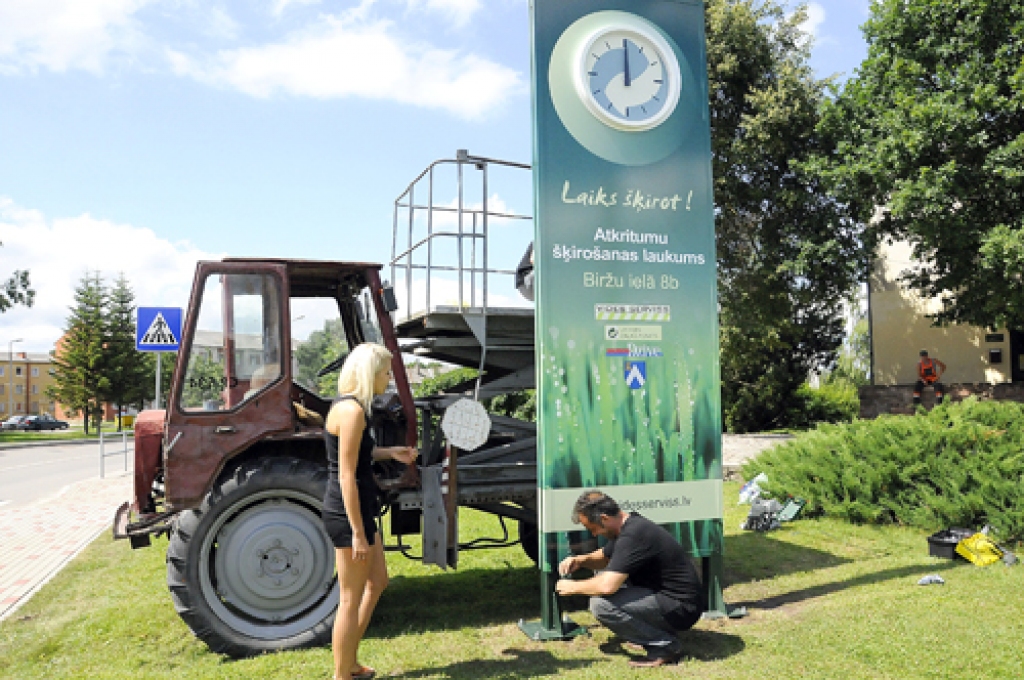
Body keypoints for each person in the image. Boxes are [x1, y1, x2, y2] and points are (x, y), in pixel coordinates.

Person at [323, 343, 418, 680]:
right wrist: (359, 534)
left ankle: (350, 661)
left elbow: (360, 455)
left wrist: (392, 452)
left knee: (377, 582)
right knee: (349, 598)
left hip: (361, 509)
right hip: (348, 515)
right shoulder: (352, 412)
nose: (388, 379)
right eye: (385, 373)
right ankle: (342, 673)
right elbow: (346, 475)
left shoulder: (350, 408)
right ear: (370, 373)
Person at [555, 490, 704, 668]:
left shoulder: (634, 535)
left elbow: (607, 587)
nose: (594, 534)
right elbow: (605, 556)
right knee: (605, 577)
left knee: (601, 605)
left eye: (592, 528)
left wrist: (572, 587)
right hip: (671, 599)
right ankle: (651, 633)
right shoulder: (630, 525)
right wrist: (580, 560)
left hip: (682, 608)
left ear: (604, 518)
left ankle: (664, 646)